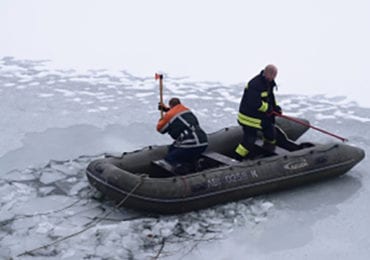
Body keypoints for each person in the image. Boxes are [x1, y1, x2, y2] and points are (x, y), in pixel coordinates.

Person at [235, 64, 285, 160]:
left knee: (271, 135)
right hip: (249, 118)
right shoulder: (255, 84)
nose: (273, 78)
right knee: (249, 141)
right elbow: (255, 103)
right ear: (266, 72)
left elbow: (270, 98)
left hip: (262, 118)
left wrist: (275, 108)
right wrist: (269, 109)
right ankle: (236, 159)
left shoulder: (269, 83)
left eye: (275, 75)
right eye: (272, 75)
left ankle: (267, 153)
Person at [157, 97, 208, 172]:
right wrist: (166, 110)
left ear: (170, 105)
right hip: (203, 141)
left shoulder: (169, 115)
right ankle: (195, 162)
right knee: (173, 148)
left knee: (170, 158)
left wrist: (162, 119)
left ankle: (182, 170)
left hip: (191, 142)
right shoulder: (187, 110)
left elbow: (160, 129)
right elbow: (176, 114)